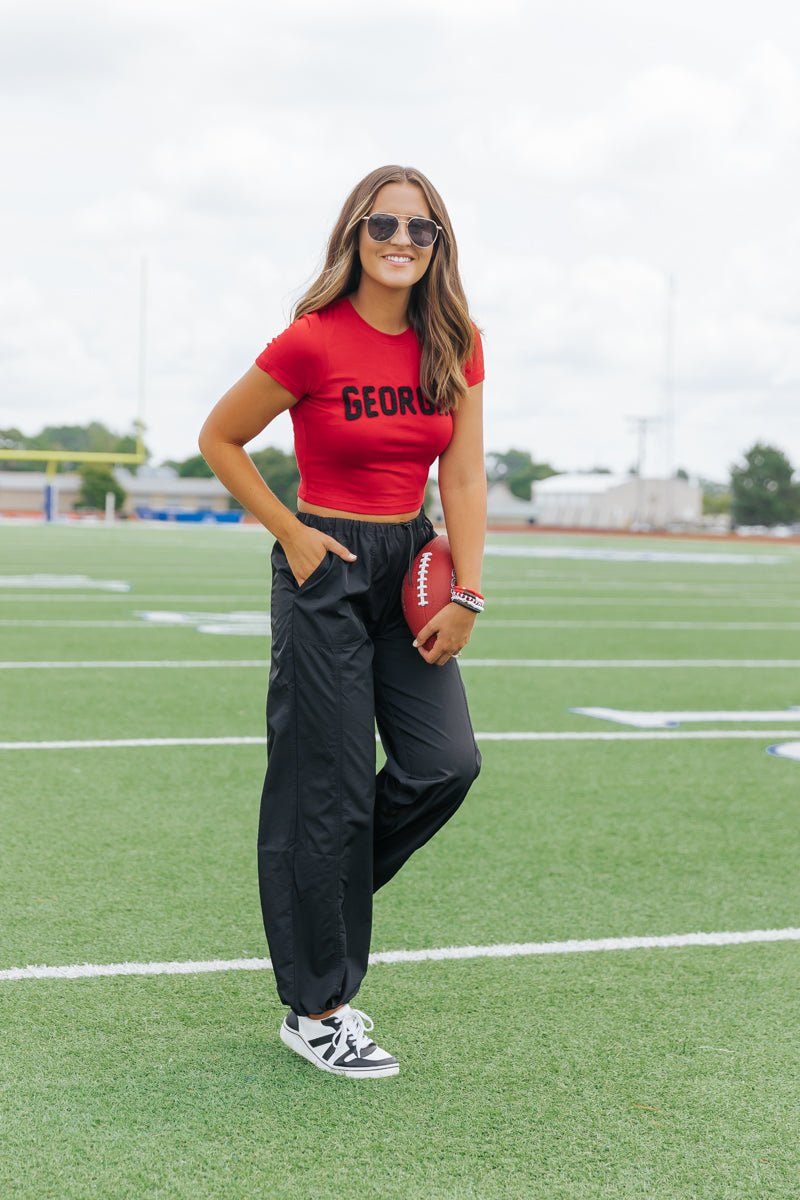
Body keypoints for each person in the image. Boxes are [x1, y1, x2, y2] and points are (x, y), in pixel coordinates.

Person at [198, 164, 486, 1080]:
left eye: (421, 229)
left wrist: (466, 592)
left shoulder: (457, 342)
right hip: (325, 563)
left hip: (413, 565)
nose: (401, 242)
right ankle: (319, 1009)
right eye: (383, 225)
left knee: (445, 764)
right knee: (326, 790)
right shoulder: (313, 341)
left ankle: (314, 889)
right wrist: (292, 533)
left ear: (439, 245)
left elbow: (465, 477)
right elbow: (220, 437)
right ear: (354, 235)